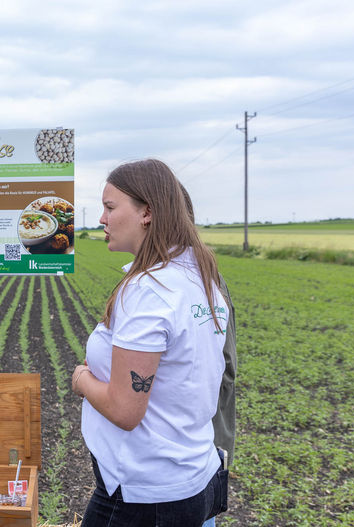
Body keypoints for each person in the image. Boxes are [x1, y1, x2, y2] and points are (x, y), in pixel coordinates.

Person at [72, 159, 229, 525]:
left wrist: (81, 380)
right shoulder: (199, 277)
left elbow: (126, 411)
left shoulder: (149, 290)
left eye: (110, 207)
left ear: (147, 212)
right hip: (193, 475)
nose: (101, 218)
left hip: (144, 494)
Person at [179, 185, 237, 527]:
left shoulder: (200, 282)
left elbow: (222, 369)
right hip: (200, 449)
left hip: (190, 455)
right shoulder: (203, 275)